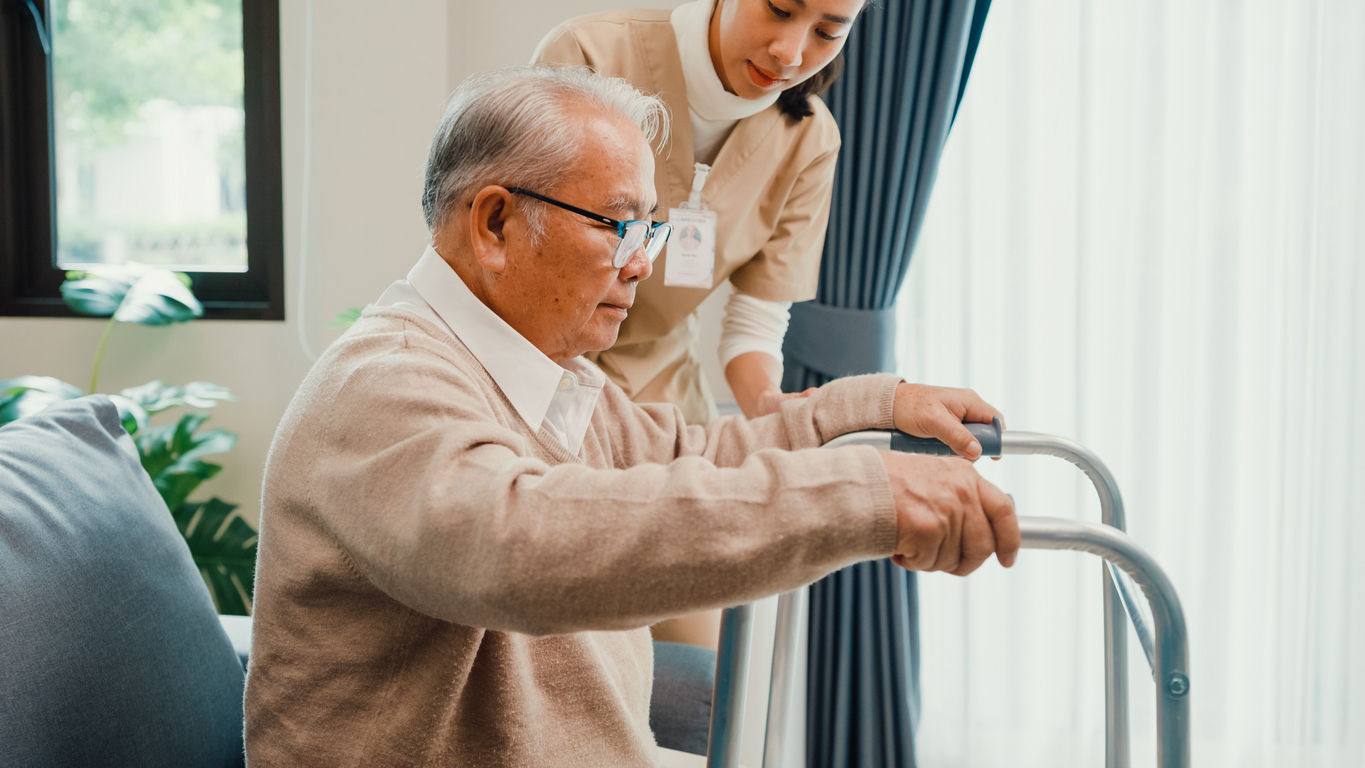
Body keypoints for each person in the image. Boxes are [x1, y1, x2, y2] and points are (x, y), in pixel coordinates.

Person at [244, 65, 1017, 767]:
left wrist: (872, 409)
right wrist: (859, 495)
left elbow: (694, 453)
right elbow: (524, 545)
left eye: (650, 227)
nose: (642, 262)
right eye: (618, 225)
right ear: (494, 225)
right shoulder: (382, 386)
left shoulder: (546, 375)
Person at [534, 0, 866, 650]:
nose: (790, 53)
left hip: (658, 390)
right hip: (538, 379)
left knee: (703, 665)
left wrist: (766, 403)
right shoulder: (588, 58)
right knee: (556, 659)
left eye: (828, 30)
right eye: (778, 10)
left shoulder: (807, 139)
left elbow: (756, 317)